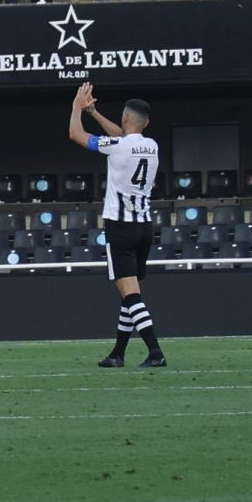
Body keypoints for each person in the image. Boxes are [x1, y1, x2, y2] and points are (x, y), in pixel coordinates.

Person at [68, 85, 165, 368]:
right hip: (144, 227)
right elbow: (124, 136)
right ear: (146, 123)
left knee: (131, 295)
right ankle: (118, 354)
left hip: (120, 228)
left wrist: (77, 107)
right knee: (129, 294)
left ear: (124, 117)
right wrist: (95, 112)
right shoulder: (152, 145)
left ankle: (155, 351)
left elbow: (76, 135)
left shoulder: (118, 146)